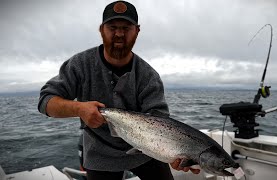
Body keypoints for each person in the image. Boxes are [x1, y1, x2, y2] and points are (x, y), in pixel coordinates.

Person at [38, 1, 199, 179]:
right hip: (100, 155)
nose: (119, 34)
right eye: (113, 27)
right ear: (101, 30)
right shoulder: (80, 65)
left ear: (137, 31)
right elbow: (46, 101)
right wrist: (79, 109)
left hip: (146, 153)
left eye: (126, 28)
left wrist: (174, 154)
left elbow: (160, 121)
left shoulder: (148, 76)